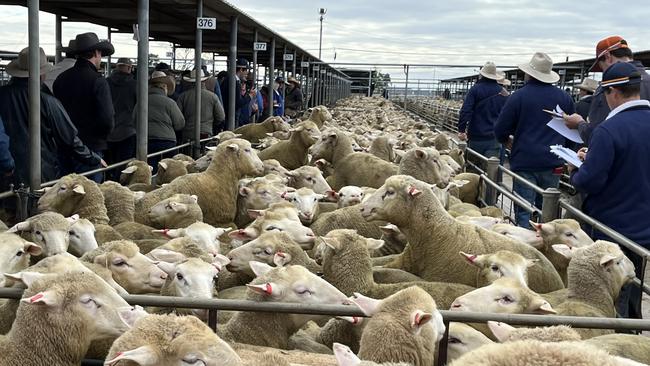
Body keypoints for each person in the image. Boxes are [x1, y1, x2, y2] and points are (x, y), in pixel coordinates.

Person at [567, 62, 650, 319]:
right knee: (635, 282)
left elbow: (590, 181)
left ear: (613, 93)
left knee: (615, 295)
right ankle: (635, 332)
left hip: (613, 227)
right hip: (645, 225)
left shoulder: (609, 130)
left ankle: (619, 342)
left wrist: (576, 168)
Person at [0, 47, 102, 189]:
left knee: (8, 208)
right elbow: (70, 139)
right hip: (40, 171)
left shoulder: (2, 95)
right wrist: (94, 158)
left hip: (4, 172)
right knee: (38, 209)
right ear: (41, 73)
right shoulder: (47, 101)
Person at [494, 52, 575, 228]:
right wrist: (565, 153)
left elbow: (500, 127)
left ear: (529, 73)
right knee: (547, 207)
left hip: (525, 159)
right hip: (553, 161)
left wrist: (505, 140)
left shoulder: (518, 96)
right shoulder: (565, 98)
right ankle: (546, 246)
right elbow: (571, 131)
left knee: (524, 207)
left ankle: (525, 245)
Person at [53, 32, 114, 183]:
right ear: (96, 53)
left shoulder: (61, 79)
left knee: (65, 195)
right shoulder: (98, 81)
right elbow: (107, 119)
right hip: (91, 147)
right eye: (100, 54)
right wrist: (102, 137)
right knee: (87, 196)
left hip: (64, 146)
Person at [565, 36, 650, 145]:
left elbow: (598, 135)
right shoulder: (647, 80)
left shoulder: (610, 86)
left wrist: (579, 124)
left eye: (601, 67)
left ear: (608, 56)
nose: (604, 73)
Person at [458, 61, 508, 159]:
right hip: (494, 138)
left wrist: (461, 130)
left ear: (481, 74)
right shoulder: (503, 92)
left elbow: (465, 110)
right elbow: (507, 116)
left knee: (473, 169)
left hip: (476, 136)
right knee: (491, 168)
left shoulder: (475, 89)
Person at [141, 71, 185, 172]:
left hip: (147, 141)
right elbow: (180, 123)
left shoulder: (142, 101)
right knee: (168, 172)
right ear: (164, 87)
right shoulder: (170, 103)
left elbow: (135, 120)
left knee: (150, 171)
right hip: (167, 142)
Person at [106, 58, 137, 178]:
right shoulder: (135, 85)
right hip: (128, 130)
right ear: (129, 68)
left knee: (109, 166)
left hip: (108, 131)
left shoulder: (106, 82)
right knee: (125, 166)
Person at [176, 69, 224, 141]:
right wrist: (212, 124)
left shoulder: (183, 96)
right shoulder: (213, 96)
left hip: (188, 134)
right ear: (204, 81)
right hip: (206, 133)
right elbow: (221, 117)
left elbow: (178, 118)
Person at [220, 58, 254, 126]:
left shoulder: (232, 80)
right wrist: (249, 96)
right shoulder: (233, 81)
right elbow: (237, 103)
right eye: (246, 70)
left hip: (229, 116)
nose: (247, 73)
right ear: (241, 70)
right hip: (230, 117)